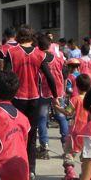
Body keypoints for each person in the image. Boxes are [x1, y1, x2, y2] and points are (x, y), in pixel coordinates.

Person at [2, 24, 60, 180]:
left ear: (19, 37)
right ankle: (30, 172)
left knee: (14, 134)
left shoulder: (11, 53)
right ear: (32, 37)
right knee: (31, 135)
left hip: (16, 99)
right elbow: (49, 77)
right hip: (34, 98)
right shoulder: (40, 55)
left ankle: (14, 169)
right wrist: (55, 95)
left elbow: (6, 76)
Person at [55, 73, 91, 180]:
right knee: (85, 156)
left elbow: (68, 112)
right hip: (88, 131)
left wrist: (58, 107)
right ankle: (84, 177)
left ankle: (70, 173)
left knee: (69, 153)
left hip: (75, 131)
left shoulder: (75, 99)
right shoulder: (90, 100)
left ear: (77, 86)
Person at [35, 32, 64, 160]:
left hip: (44, 92)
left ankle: (44, 146)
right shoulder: (59, 57)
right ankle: (66, 145)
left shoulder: (38, 58)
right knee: (62, 117)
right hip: (59, 90)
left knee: (42, 118)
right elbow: (65, 71)